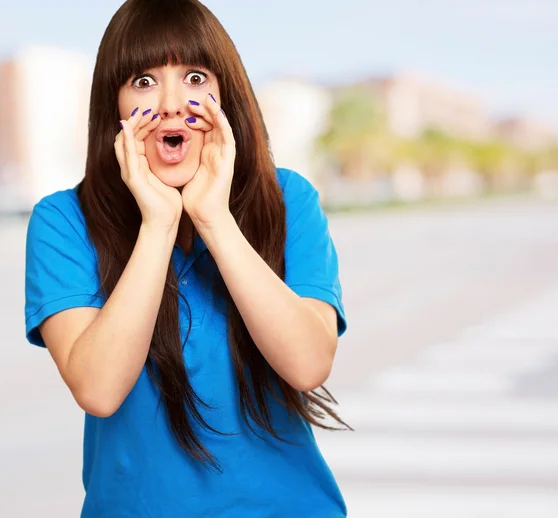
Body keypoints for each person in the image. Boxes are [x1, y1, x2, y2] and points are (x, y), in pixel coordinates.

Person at [23, 0, 351, 516]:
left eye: (195, 77)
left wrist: (214, 220)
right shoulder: (64, 220)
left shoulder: (287, 200)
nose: (173, 104)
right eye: (144, 81)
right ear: (114, 104)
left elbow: (309, 363)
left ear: (227, 96)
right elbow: (99, 389)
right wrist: (157, 225)